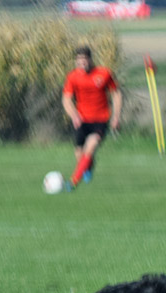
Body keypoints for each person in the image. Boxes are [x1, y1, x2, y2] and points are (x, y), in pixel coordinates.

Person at [61, 46, 122, 192]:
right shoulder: (73, 77)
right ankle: (87, 168)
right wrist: (74, 115)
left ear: (90, 59)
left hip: (100, 120)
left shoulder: (104, 73)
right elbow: (66, 99)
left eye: (84, 59)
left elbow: (116, 94)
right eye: (79, 60)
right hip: (82, 121)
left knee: (91, 146)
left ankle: (73, 182)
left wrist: (116, 117)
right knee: (79, 154)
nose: (82, 63)